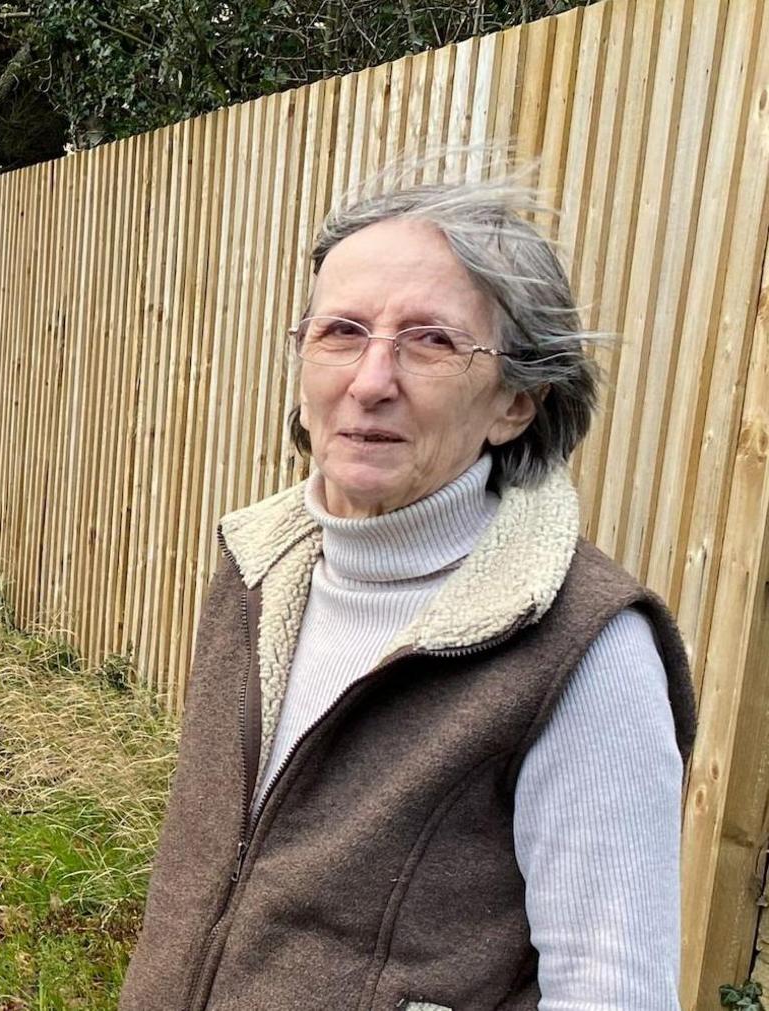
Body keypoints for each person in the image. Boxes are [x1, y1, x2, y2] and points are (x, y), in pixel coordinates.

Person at [119, 176, 696, 1011]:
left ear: (515, 402)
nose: (371, 379)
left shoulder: (584, 649)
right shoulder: (255, 572)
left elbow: (614, 992)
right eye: (342, 332)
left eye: (429, 341)